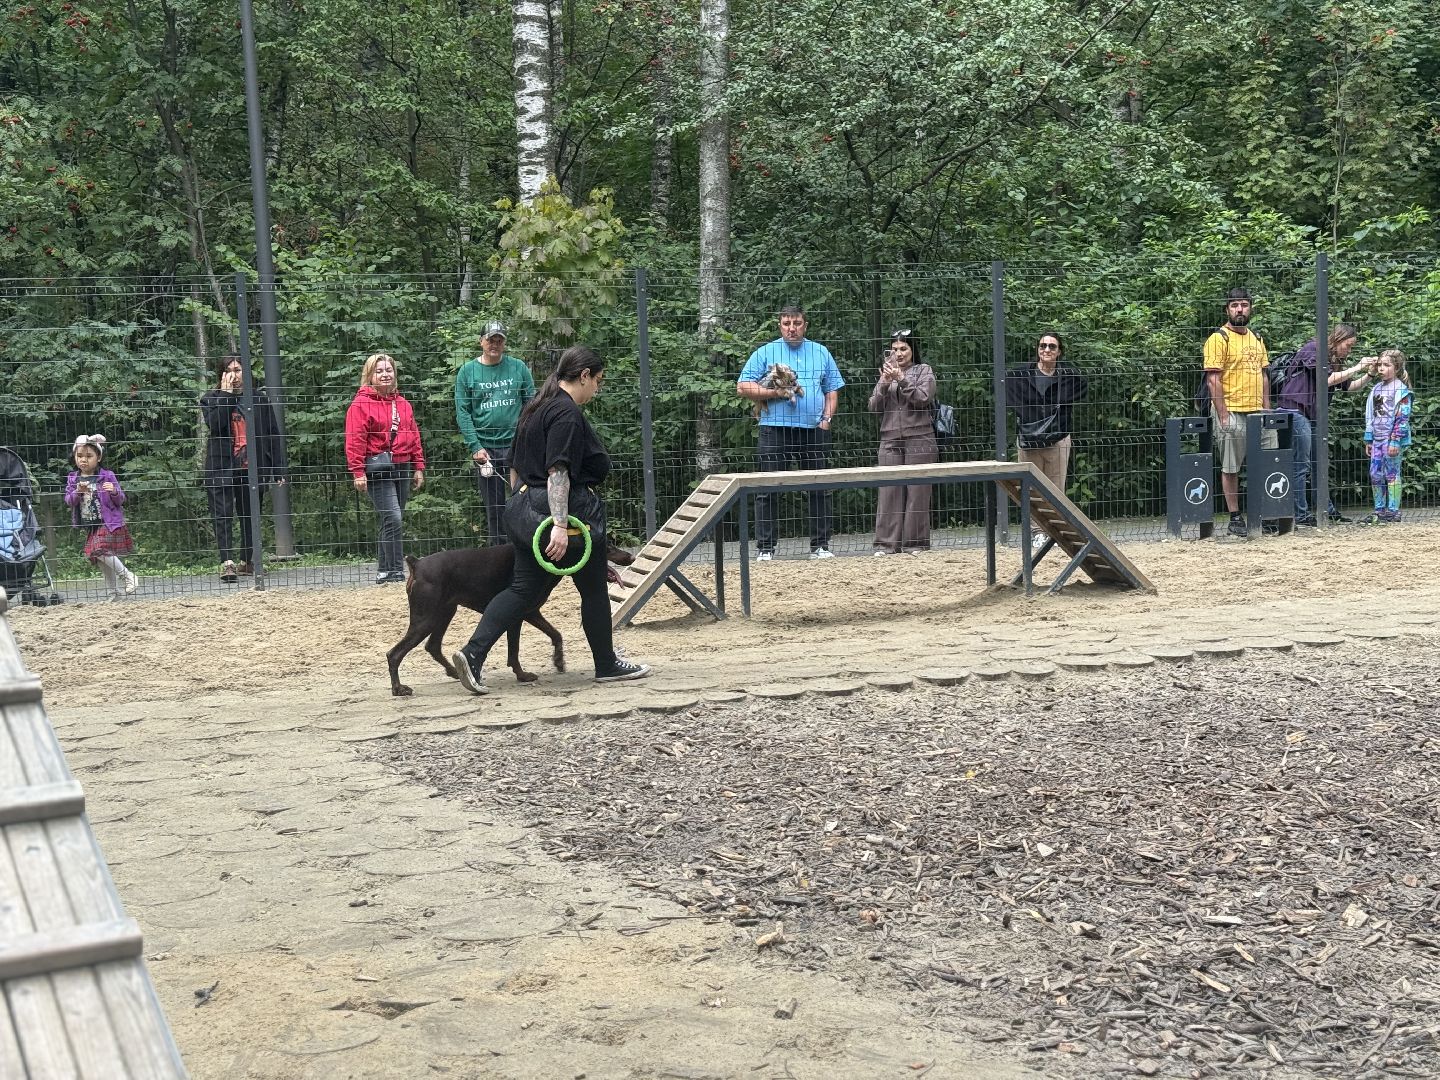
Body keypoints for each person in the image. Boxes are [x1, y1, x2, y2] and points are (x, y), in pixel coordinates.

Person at [450, 345, 650, 694]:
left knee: (522, 589)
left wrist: (527, 509)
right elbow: (558, 471)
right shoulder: (565, 413)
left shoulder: (536, 406)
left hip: (525, 509)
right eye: (598, 381)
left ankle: (473, 653)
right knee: (593, 590)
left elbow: (514, 465)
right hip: (568, 516)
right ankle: (606, 664)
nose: (597, 389)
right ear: (584, 375)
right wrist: (559, 524)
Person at [737, 305, 845, 560]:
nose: (792, 328)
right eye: (786, 323)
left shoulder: (821, 352)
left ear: (805, 325)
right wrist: (774, 393)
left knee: (819, 487)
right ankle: (765, 549)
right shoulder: (766, 351)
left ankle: (820, 546)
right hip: (774, 429)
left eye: (797, 323)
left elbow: (832, 389)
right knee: (767, 488)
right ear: (780, 326)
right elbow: (743, 386)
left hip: (813, 430)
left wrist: (826, 419)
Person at [200, 356, 288, 582]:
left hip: (252, 468)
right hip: (221, 467)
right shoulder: (211, 399)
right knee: (222, 514)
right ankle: (227, 563)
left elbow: (272, 434)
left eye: (238, 370)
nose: (234, 375)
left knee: (250, 514)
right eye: (229, 370)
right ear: (222, 374)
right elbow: (215, 425)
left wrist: (278, 468)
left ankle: (247, 561)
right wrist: (226, 395)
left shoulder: (258, 399)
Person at [1274, 324, 1368, 527]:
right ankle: (1300, 514)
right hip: (1294, 410)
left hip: (1312, 415)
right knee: (1301, 464)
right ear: (1338, 339)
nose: (1349, 350)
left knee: (1319, 463)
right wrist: (1358, 366)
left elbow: (1349, 386)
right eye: (1348, 345)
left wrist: (1369, 374)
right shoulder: (1313, 349)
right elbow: (1325, 380)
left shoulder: (1334, 360)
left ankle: (1326, 510)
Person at [345, 353, 426, 584]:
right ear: (369, 375)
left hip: (402, 464)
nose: (385, 375)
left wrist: (418, 466)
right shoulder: (360, 404)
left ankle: (384, 570)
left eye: (388, 370)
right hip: (378, 467)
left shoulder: (403, 404)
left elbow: (414, 435)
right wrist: (358, 471)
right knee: (393, 517)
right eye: (379, 371)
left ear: (394, 374)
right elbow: (355, 440)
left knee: (390, 520)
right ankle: (396, 570)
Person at [1202, 287, 1275, 538]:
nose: (1240, 310)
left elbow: (1263, 375)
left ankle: (1266, 515)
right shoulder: (1218, 339)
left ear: (1250, 308)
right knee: (1231, 466)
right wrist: (1223, 415)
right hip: (1231, 410)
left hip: (1258, 412)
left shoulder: (1257, 338)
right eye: (1234, 305)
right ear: (1227, 310)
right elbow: (1213, 379)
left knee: (1269, 462)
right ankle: (1235, 517)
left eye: (1244, 305)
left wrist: (1267, 408)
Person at [455, 321, 535, 543]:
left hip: (516, 446)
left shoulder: (518, 367)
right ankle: (499, 552)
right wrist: (475, 446)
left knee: (524, 499)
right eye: (491, 339)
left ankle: (525, 548)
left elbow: (532, 404)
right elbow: (462, 412)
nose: (495, 344)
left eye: (500, 340)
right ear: (481, 341)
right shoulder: (467, 371)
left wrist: (527, 438)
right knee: (495, 506)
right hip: (486, 449)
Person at [868, 328, 937, 555]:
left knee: (918, 492)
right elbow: (873, 406)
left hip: (920, 437)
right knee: (889, 491)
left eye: (903, 348)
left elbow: (923, 398)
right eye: (894, 349)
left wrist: (902, 379)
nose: (898, 353)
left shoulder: (923, 370)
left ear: (912, 349)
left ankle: (915, 544)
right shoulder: (886, 374)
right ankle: (886, 545)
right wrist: (884, 383)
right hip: (889, 438)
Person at [1005, 331, 1088, 493]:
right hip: (1030, 439)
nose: (1047, 350)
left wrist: (1058, 401)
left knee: (1055, 492)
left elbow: (1083, 387)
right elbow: (1004, 390)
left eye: (1052, 346)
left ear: (1059, 351)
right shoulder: (1020, 375)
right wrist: (1026, 413)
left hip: (1058, 438)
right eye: (1043, 346)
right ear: (1037, 349)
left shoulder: (1068, 376)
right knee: (1030, 491)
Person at [64, 434, 138, 600]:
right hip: (90, 524)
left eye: (89, 456)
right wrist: (77, 492)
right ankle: (114, 593)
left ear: (99, 457)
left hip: (108, 522)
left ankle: (128, 576)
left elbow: (120, 500)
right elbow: (69, 501)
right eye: (79, 456)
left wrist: (114, 491)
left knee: (99, 550)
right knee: (101, 558)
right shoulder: (73, 478)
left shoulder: (107, 475)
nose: (83, 460)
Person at [1362, 349, 1414, 525]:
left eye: (1386, 365)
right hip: (1376, 440)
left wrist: (1395, 440)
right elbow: (1370, 414)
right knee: (1375, 474)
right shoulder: (1376, 388)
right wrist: (1369, 439)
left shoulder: (1401, 390)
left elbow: (1402, 417)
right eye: (1379, 365)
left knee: (1392, 474)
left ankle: (1393, 511)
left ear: (1397, 368)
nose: (1381, 368)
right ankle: (1379, 510)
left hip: (1391, 441)